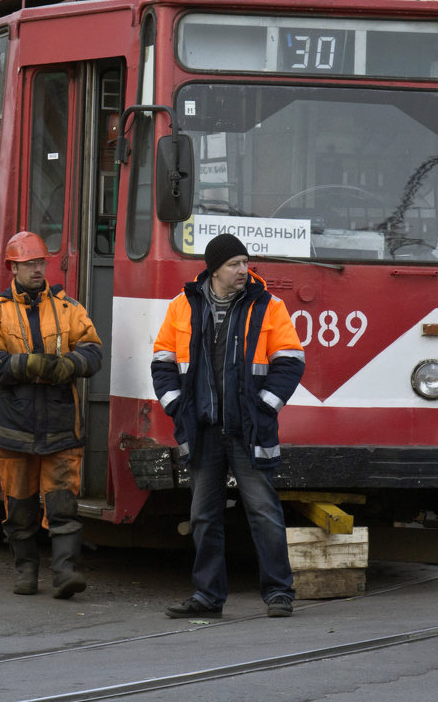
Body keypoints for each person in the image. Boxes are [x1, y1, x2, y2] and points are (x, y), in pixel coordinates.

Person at [151, 232, 305, 619]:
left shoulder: (268, 306)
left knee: (264, 512)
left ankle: (278, 593)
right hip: (202, 430)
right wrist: (175, 407)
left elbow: (290, 360)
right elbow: (162, 361)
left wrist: (265, 407)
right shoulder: (182, 305)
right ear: (214, 269)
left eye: (244, 263)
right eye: (234, 264)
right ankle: (207, 596)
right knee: (203, 516)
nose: (243, 270)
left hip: (248, 430)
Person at [0, 231, 103, 599]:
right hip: (14, 431)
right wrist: (27, 364)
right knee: (19, 509)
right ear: (12, 268)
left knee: (63, 506)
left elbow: (93, 350)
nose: (37, 269)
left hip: (60, 426)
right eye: (29, 264)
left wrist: (70, 366)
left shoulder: (68, 308)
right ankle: (26, 573)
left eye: (40, 263)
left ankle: (64, 574)